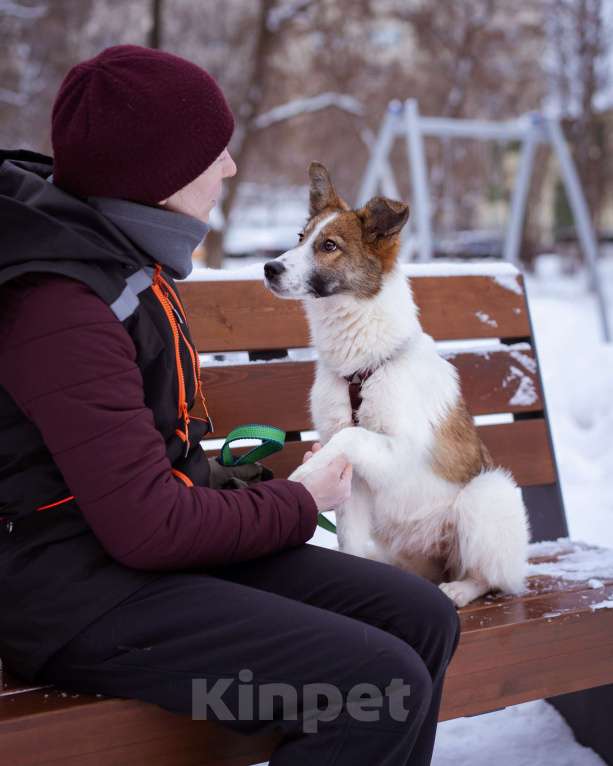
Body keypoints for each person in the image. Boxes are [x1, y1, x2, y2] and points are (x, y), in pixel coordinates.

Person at [0, 45, 460, 764]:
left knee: (420, 616)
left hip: (133, 559)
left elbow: (144, 469)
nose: (230, 168)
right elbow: (148, 528)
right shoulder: (63, 305)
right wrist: (299, 502)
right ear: (155, 173)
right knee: (373, 682)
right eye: (214, 152)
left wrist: (250, 496)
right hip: (76, 598)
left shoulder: (117, 255)